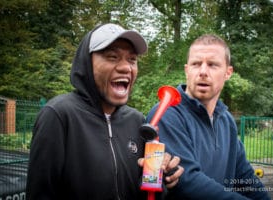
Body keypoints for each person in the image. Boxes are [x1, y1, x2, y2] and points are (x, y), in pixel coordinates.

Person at [26, 23, 183, 200]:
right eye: (112, 56)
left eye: (132, 59)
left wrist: (163, 179)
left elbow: (145, 193)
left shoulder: (137, 120)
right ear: (86, 63)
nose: (126, 67)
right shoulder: (59, 115)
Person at [146, 34, 270, 199]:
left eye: (212, 65)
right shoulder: (167, 114)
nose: (203, 72)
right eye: (196, 64)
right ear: (187, 70)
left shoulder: (226, 120)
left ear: (228, 72)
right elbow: (188, 183)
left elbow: (244, 176)